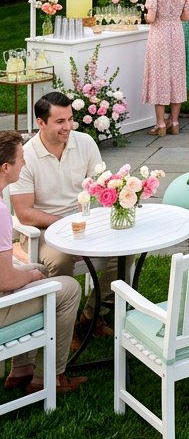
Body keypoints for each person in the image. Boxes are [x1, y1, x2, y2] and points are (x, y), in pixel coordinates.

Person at [10, 92, 112, 341]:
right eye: (59, 121)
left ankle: (90, 316)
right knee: (60, 258)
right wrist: (67, 228)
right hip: (43, 230)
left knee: (125, 253)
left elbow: (101, 186)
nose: (67, 127)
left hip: (84, 222)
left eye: (70, 119)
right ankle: (60, 327)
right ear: (41, 123)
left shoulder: (85, 143)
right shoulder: (26, 156)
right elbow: (24, 213)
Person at [1, 130, 86, 397]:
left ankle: (21, 370)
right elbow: (6, 281)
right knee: (69, 288)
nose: (24, 163)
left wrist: (31, 274)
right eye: (20, 159)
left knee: (37, 268)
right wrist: (31, 279)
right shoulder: (1, 213)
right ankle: (50, 377)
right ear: (6, 167)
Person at [143, 0, 189, 137]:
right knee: (176, 76)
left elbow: (151, 18)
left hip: (159, 36)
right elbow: (186, 17)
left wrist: (147, 15)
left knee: (160, 76)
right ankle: (176, 122)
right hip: (177, 35)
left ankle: (161, 124)